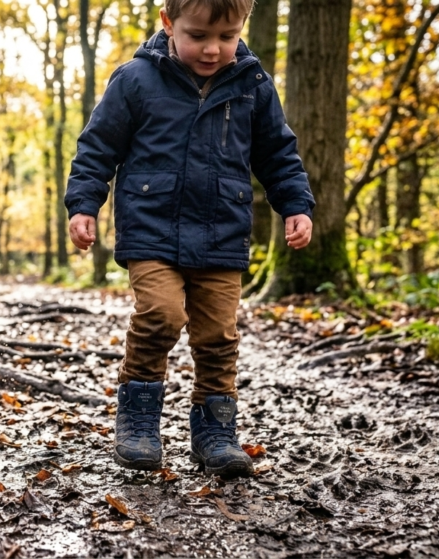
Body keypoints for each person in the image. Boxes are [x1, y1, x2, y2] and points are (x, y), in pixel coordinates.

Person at [65, 0, 314, 477]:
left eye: (226, 35)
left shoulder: (253, 85)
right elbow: (97, 147)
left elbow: (278, 153)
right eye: (198, 35)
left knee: (219, 335)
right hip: (151, 229)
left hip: (221, 234)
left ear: (243, 26)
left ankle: (215, 431)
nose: (213, 49)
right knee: (160, 314)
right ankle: (138, 418)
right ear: (167, 22)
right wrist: (84, 203)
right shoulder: (136, 80)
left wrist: (295, 205)